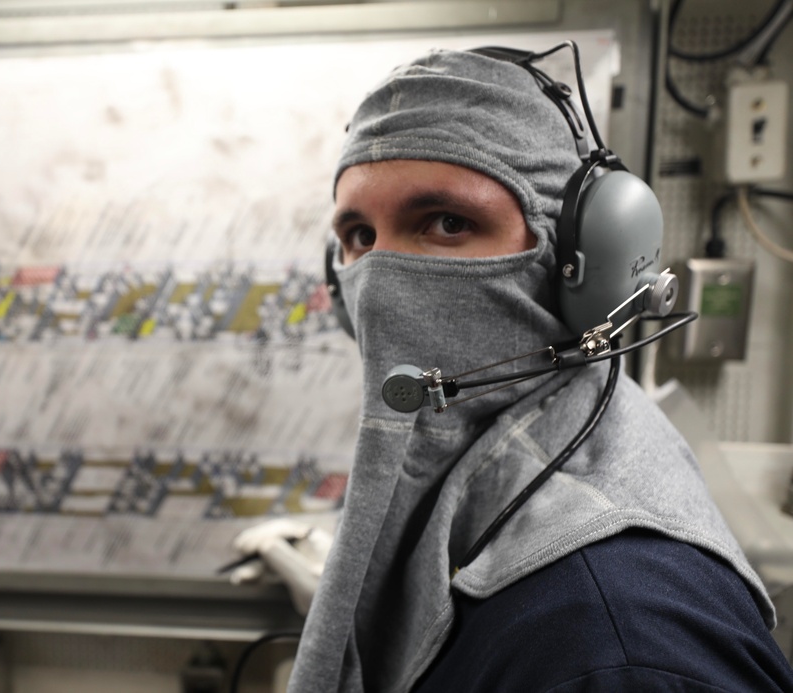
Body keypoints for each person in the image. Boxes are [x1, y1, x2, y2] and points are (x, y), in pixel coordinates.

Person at [232, 47, 793, 692]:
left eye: (448, 222)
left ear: (587, 263)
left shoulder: (617, 643)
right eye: (360, 235)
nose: (380, 287)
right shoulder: (528, 456)